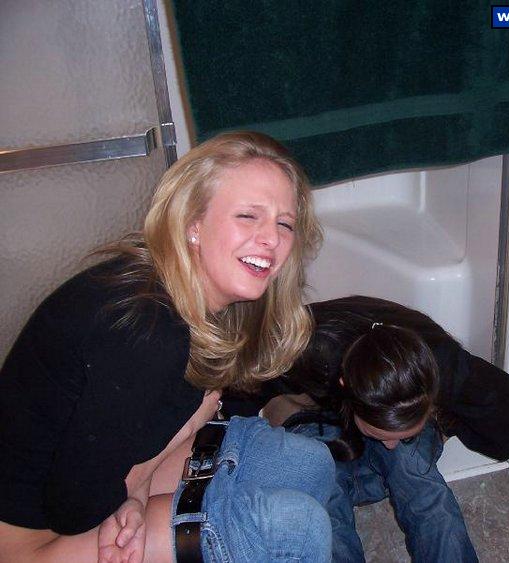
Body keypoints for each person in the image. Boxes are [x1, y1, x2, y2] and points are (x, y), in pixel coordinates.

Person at [0, 131, 334, 562]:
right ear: (193, 225)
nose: (271, 238)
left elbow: (125, 440)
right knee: (294, 529)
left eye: (284, 223)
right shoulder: (148, 329)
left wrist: (137, 493)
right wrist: (187, 430)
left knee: (309, 463)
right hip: (29, 535)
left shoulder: (190, 290)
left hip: (91, 481)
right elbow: (75, 510)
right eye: (248, 216)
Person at [223, 295, 509, 562]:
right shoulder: (305, 349)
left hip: (393, 397)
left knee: (416, 476)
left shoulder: (440, 365)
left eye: (405, 434)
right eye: (384, 435)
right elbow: (237, 399)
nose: (391, 446)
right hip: (317, 414)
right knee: (324, 496)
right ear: (347, 389)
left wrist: (449, 420)